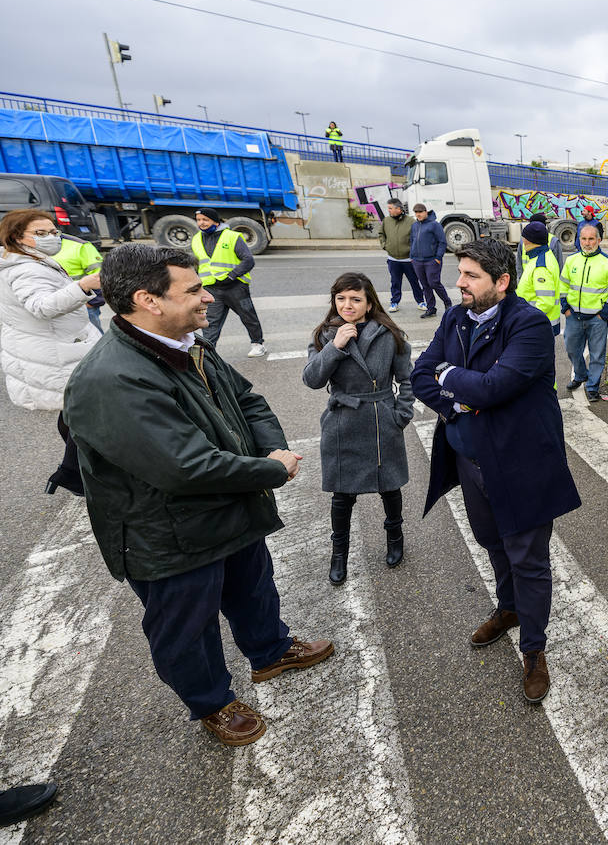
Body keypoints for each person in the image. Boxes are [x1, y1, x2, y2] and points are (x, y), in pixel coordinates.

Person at [63, 244, 333, 747]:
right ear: (148, 300)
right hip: (169, 531)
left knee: (252, 586)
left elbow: (247, 398)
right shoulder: (113, 377)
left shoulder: (187, 342)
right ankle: (211, 701)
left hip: (227, 503)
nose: (207, 297)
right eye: (192, 290)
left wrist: (272, 447)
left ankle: (270, 651)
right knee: (186, 626)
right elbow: (184, 468)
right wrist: (269, 471)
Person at [413, 238, 581, 703]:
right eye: (460, 273)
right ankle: (508, 611)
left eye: (470, 276)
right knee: (493, 544)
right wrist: (459, 397)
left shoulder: (528, 324)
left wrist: (453, 381)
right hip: (470, 457)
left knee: (528, 559)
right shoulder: (454, 317)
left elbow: (494, 386)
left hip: (519, 462)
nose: (459, 283)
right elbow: (419, 373)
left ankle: (534, 649)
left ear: (501, 282)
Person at [302, 272, 414, 584]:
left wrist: (401, 414)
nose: (347, 305)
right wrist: (335, 346)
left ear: (368, 303)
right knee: (342, 494)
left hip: (381, 418)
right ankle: (339, 553)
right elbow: (312, 380)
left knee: (389, 486)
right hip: (343, 421)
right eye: (341, 299)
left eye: (355, 299)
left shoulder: (389, 334)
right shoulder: (325, 335)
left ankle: (395, 535)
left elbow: (407, 378)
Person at [0, 210, 101, 410]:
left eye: (54, 232)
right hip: (54, 352)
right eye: (40, 233)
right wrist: (83, 286)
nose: (51, 238)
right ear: (16, 237)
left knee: (74, 416)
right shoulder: (26, 269)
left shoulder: (26, 261)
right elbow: (41, 307)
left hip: (48, 348)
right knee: (80, 417)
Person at [192, 208, 264, 356]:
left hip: (235, 286)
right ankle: (208, 352)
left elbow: (248, 260)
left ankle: (258, 344)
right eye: (199, 220)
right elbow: (197, 265)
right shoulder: (196, 239)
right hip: (211, 288)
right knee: (210, 322)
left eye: (205, 219)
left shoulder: (232, 236)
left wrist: (231, 276)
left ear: (215, 221)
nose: (201, 223)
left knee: (248, 316)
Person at [560, 223, 608, 402]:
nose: (587, 242)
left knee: (597, 355)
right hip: (573, 317)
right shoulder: (571, 260)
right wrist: (566, 308)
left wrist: (604, 315)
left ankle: (592, 386)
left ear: (599, 240)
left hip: (597, 319)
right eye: (584, 239)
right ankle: (580, 375)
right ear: (579, 240)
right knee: (571, 349)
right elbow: (562, 285)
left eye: (591, 239)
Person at [378, 198, 426, 313]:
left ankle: (420, 302)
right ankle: (394, 302)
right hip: (393, 259)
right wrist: (385, 246)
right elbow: (381, 234)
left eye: (390, 208)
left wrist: (412, 251)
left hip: (408, 260)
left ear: (398, 209)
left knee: (414, 282)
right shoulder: (386, 221)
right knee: (395, 282)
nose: (388, 210)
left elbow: (417, 238)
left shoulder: (411, 222)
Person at [515, 219, 563, 334]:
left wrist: (525, 321)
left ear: (529, 240)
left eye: (524, 237)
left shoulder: (541, 266)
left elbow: (545, 303)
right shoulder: (542, 256)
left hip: (537, 325)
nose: (522, 240)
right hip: (540, 323)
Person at [52, 232, 104, 330]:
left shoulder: (80, 246)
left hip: (82, 305)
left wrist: (92, 303)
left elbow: (101, 276)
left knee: (94, 340)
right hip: (51, 307)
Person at [409, 203, 450, 318]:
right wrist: (412, 256)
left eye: (420, 212)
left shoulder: (434, 225)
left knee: (434, 283)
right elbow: (412, 240)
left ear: (426, 212)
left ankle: (447, 302)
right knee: (425, 286)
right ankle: (431, 309)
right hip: (417, 261)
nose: (418, 214)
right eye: (416, 212)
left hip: (432, 260)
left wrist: (438, 258)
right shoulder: (414, 225)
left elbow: (442, 242)